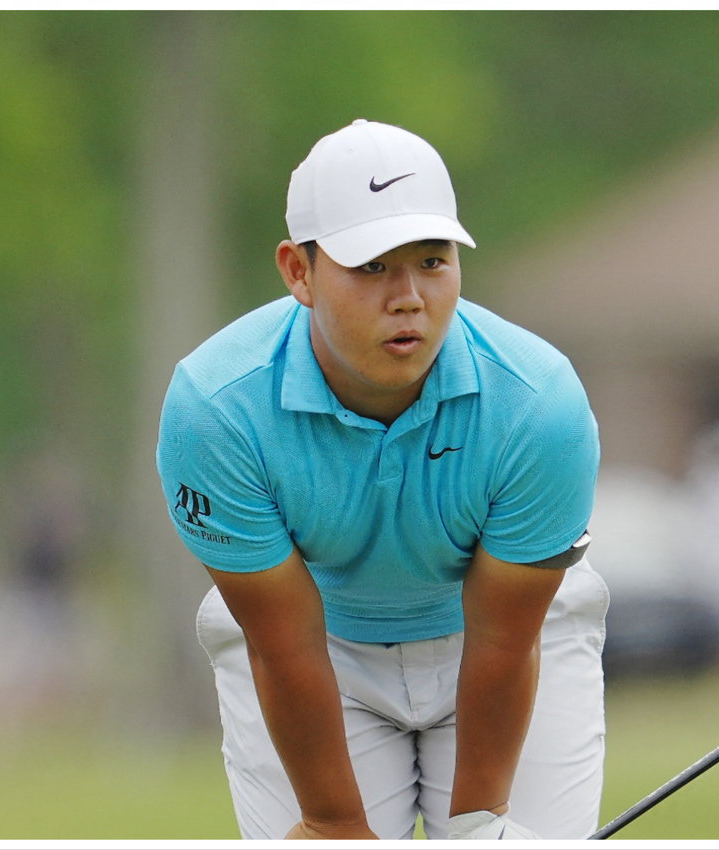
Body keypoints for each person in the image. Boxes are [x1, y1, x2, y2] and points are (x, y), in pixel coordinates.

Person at [156, 119, 607, 840]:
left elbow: (503, 638)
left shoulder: (538, 403)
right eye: (372, 268)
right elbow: (284, 641)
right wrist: (333, 820)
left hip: (502, 643)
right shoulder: (215, 408)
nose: (409, 298)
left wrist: (480, 823)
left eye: (432, 262)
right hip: (316, 646)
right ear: (297, 271)